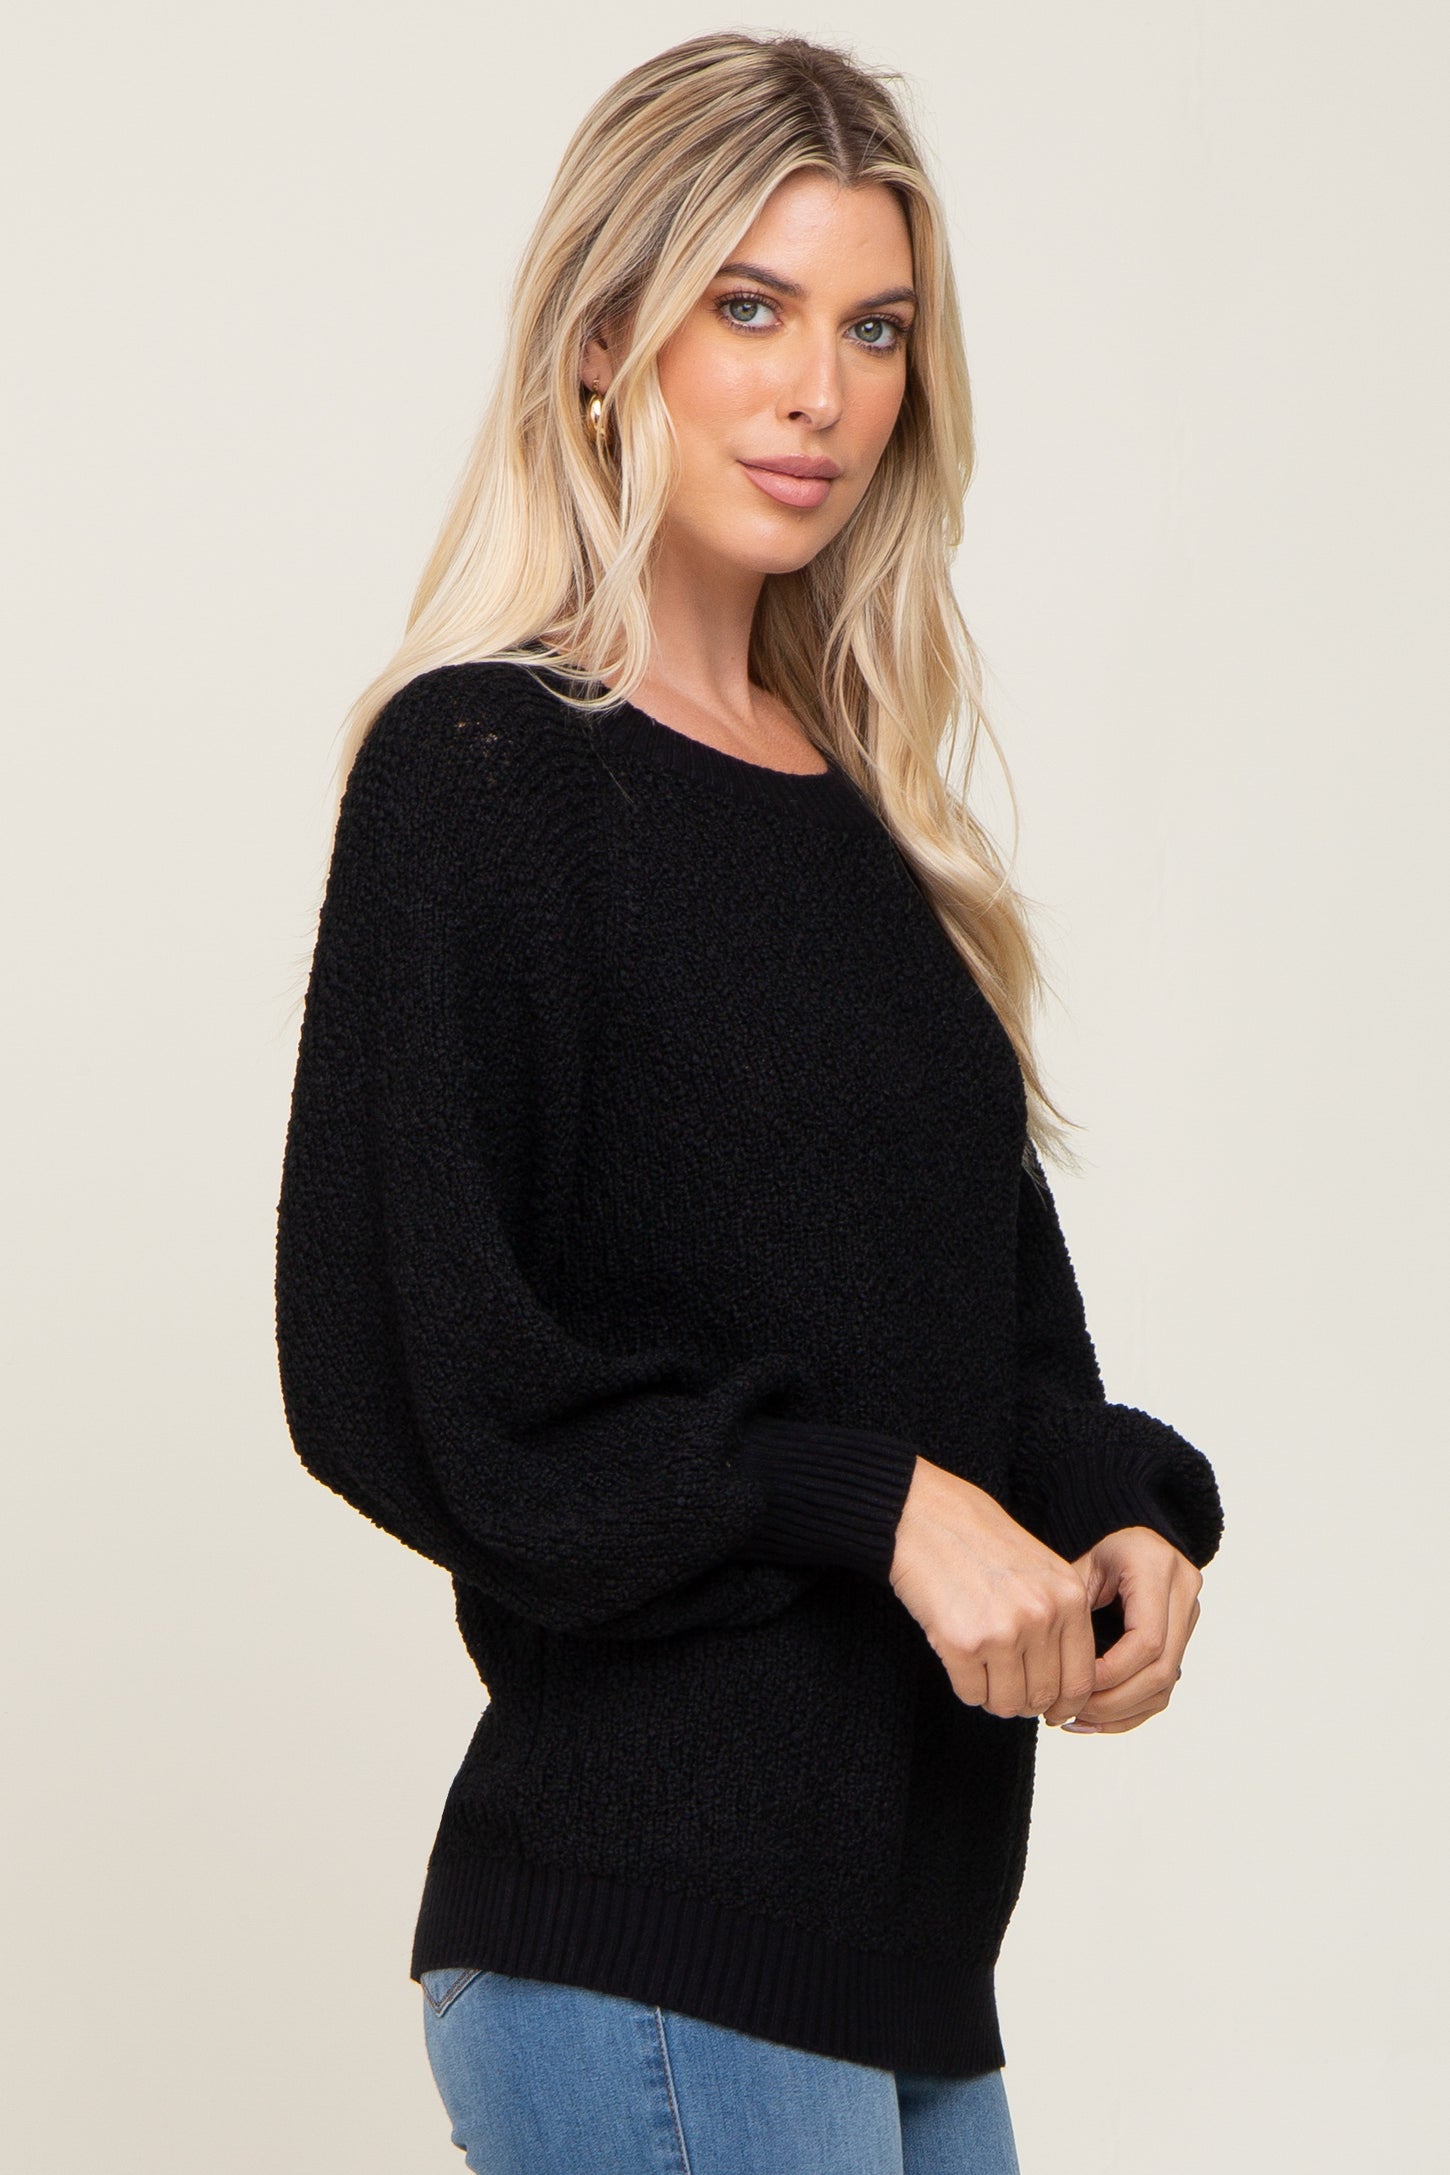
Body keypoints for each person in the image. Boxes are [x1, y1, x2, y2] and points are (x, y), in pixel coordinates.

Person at [274, 29, 1224, 2175]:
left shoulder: (872, 835)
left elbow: (993, 1348)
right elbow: (406, 1375)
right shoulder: (483, 775)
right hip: (650, 1937)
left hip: (904, 1963)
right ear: (605, 342)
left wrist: (1126, 1514)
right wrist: (870, 1503)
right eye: (751, 307)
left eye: (873, 328)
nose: (821, 393)